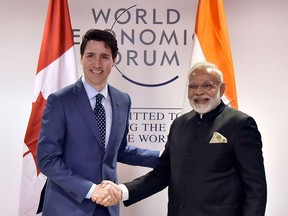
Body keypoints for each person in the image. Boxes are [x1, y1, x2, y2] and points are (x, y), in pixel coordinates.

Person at [97, 61, 267, 216]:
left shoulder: (241, 124)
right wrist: (122, 191)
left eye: (207, 85)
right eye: (193, 86)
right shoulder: (180, 124)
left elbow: (256, 189)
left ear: (221, 89)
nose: (199, 91)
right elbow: (162, 174)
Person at [36, 29, 160, 216]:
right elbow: (47, 159)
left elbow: (119, 150)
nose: (96, 63)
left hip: (107, 208)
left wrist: (165, 156)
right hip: (67, 207)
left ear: (114, 60)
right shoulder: (60, 101)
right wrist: (91, 190)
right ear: (81, 58)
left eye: (104, 57)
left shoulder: (123, 100)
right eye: (90, 55)